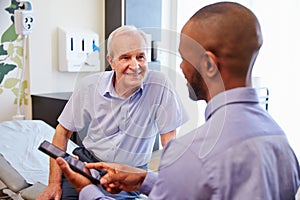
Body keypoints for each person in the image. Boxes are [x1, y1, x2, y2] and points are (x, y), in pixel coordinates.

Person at [56, 2, 300, 200]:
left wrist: (85, 190)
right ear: (111, 61)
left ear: (207, 64)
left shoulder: (188, 154)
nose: (181, 67)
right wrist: (144, 179)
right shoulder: (281, 143)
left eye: (184, 57)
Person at [37, 25, 188, 200]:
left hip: (130, 176)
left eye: (140, 56)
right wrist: (53, 184)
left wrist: (171, 187)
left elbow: (169, 142)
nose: (135, 65)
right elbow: (62, 132)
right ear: (112, 61)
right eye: (125, 57)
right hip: (89, 165)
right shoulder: (90, 86)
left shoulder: (160, 86)